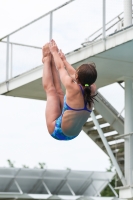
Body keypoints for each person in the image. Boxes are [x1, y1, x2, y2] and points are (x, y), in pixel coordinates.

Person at [42, 39, 97, 141]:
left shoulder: (72, 87)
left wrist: (54, 52)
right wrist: (63, 59)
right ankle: (51, 62)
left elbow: (61, 68)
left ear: (77, 76)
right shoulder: (92, 87)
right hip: (73, 133)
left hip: (57, 131)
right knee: (59, 92)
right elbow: (75, 74)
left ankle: (46, 60)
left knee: (51, 91)